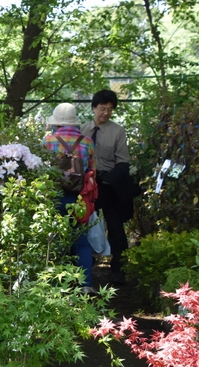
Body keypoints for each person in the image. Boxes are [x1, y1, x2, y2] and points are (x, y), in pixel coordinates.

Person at [80, 89, 138, 285]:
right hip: (88, 184)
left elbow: (123, 162)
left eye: (110, 110)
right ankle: (86, 267)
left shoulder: (117, 131)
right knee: (84, 223)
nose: (105, 113)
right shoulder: (82, 130)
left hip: (109, 183)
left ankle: (118, 269)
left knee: (115, 226)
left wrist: (108, 179)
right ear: (94, 108)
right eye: (102, 109)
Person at [42, 102, 96, 294]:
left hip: (55, 197)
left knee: (54, 240)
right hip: (79, 197)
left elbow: (41, 171)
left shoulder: (48, 141)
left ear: (56, 122)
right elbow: (91, 171)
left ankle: (56, 286)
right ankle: (85, 285)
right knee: (81, 241)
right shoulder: (87, 142)